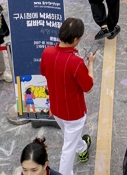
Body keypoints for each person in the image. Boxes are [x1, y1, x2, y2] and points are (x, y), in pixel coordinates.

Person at [40, 17, 96, 172]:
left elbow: (44, 72)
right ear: (76, 39)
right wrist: (90, 64)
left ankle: (82, 147)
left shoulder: (47, 52)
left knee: (70, 136)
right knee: (67, 149)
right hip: (73, 112)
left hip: (56, 108)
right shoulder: (76, 62)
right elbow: (89, 87)